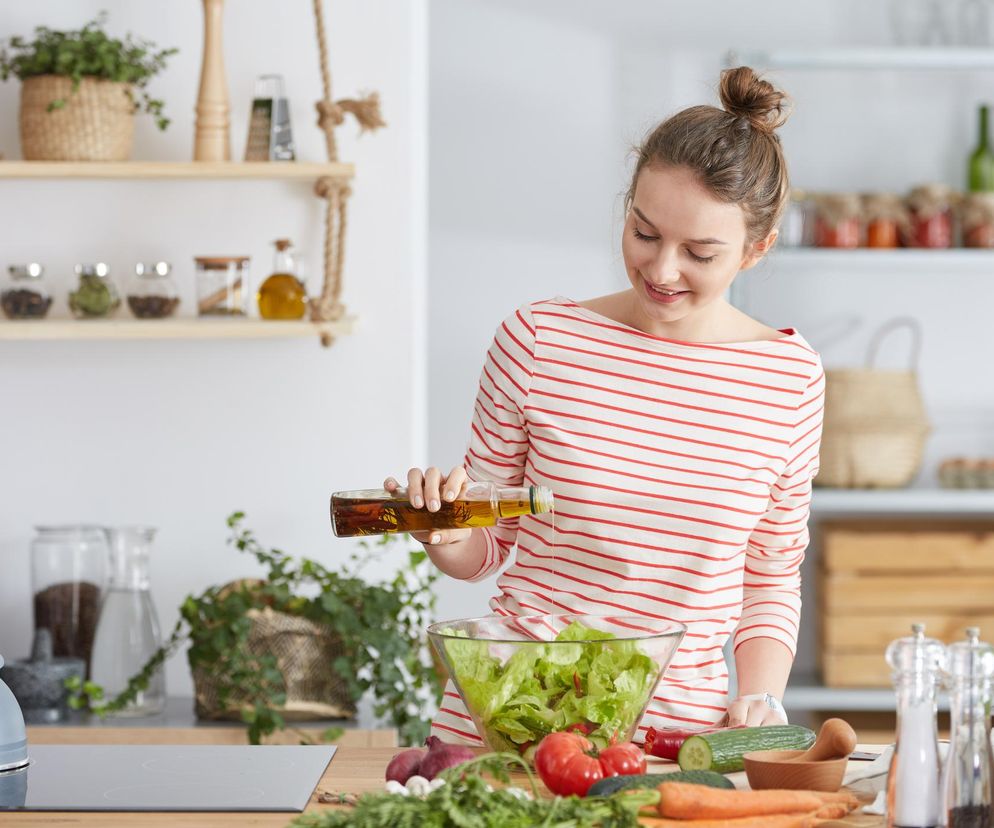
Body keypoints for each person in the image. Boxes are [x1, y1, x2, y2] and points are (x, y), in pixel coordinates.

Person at [386, 66, 825, 744]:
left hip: (673, 746)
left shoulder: (789, 379)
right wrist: (442, 530)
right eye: (644, 233)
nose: (662, 270)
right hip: (511, 716)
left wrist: (763, 696)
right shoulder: (538, 341)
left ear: (757, 250)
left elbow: (769, 574)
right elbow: (487, 546)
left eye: (700, 252)